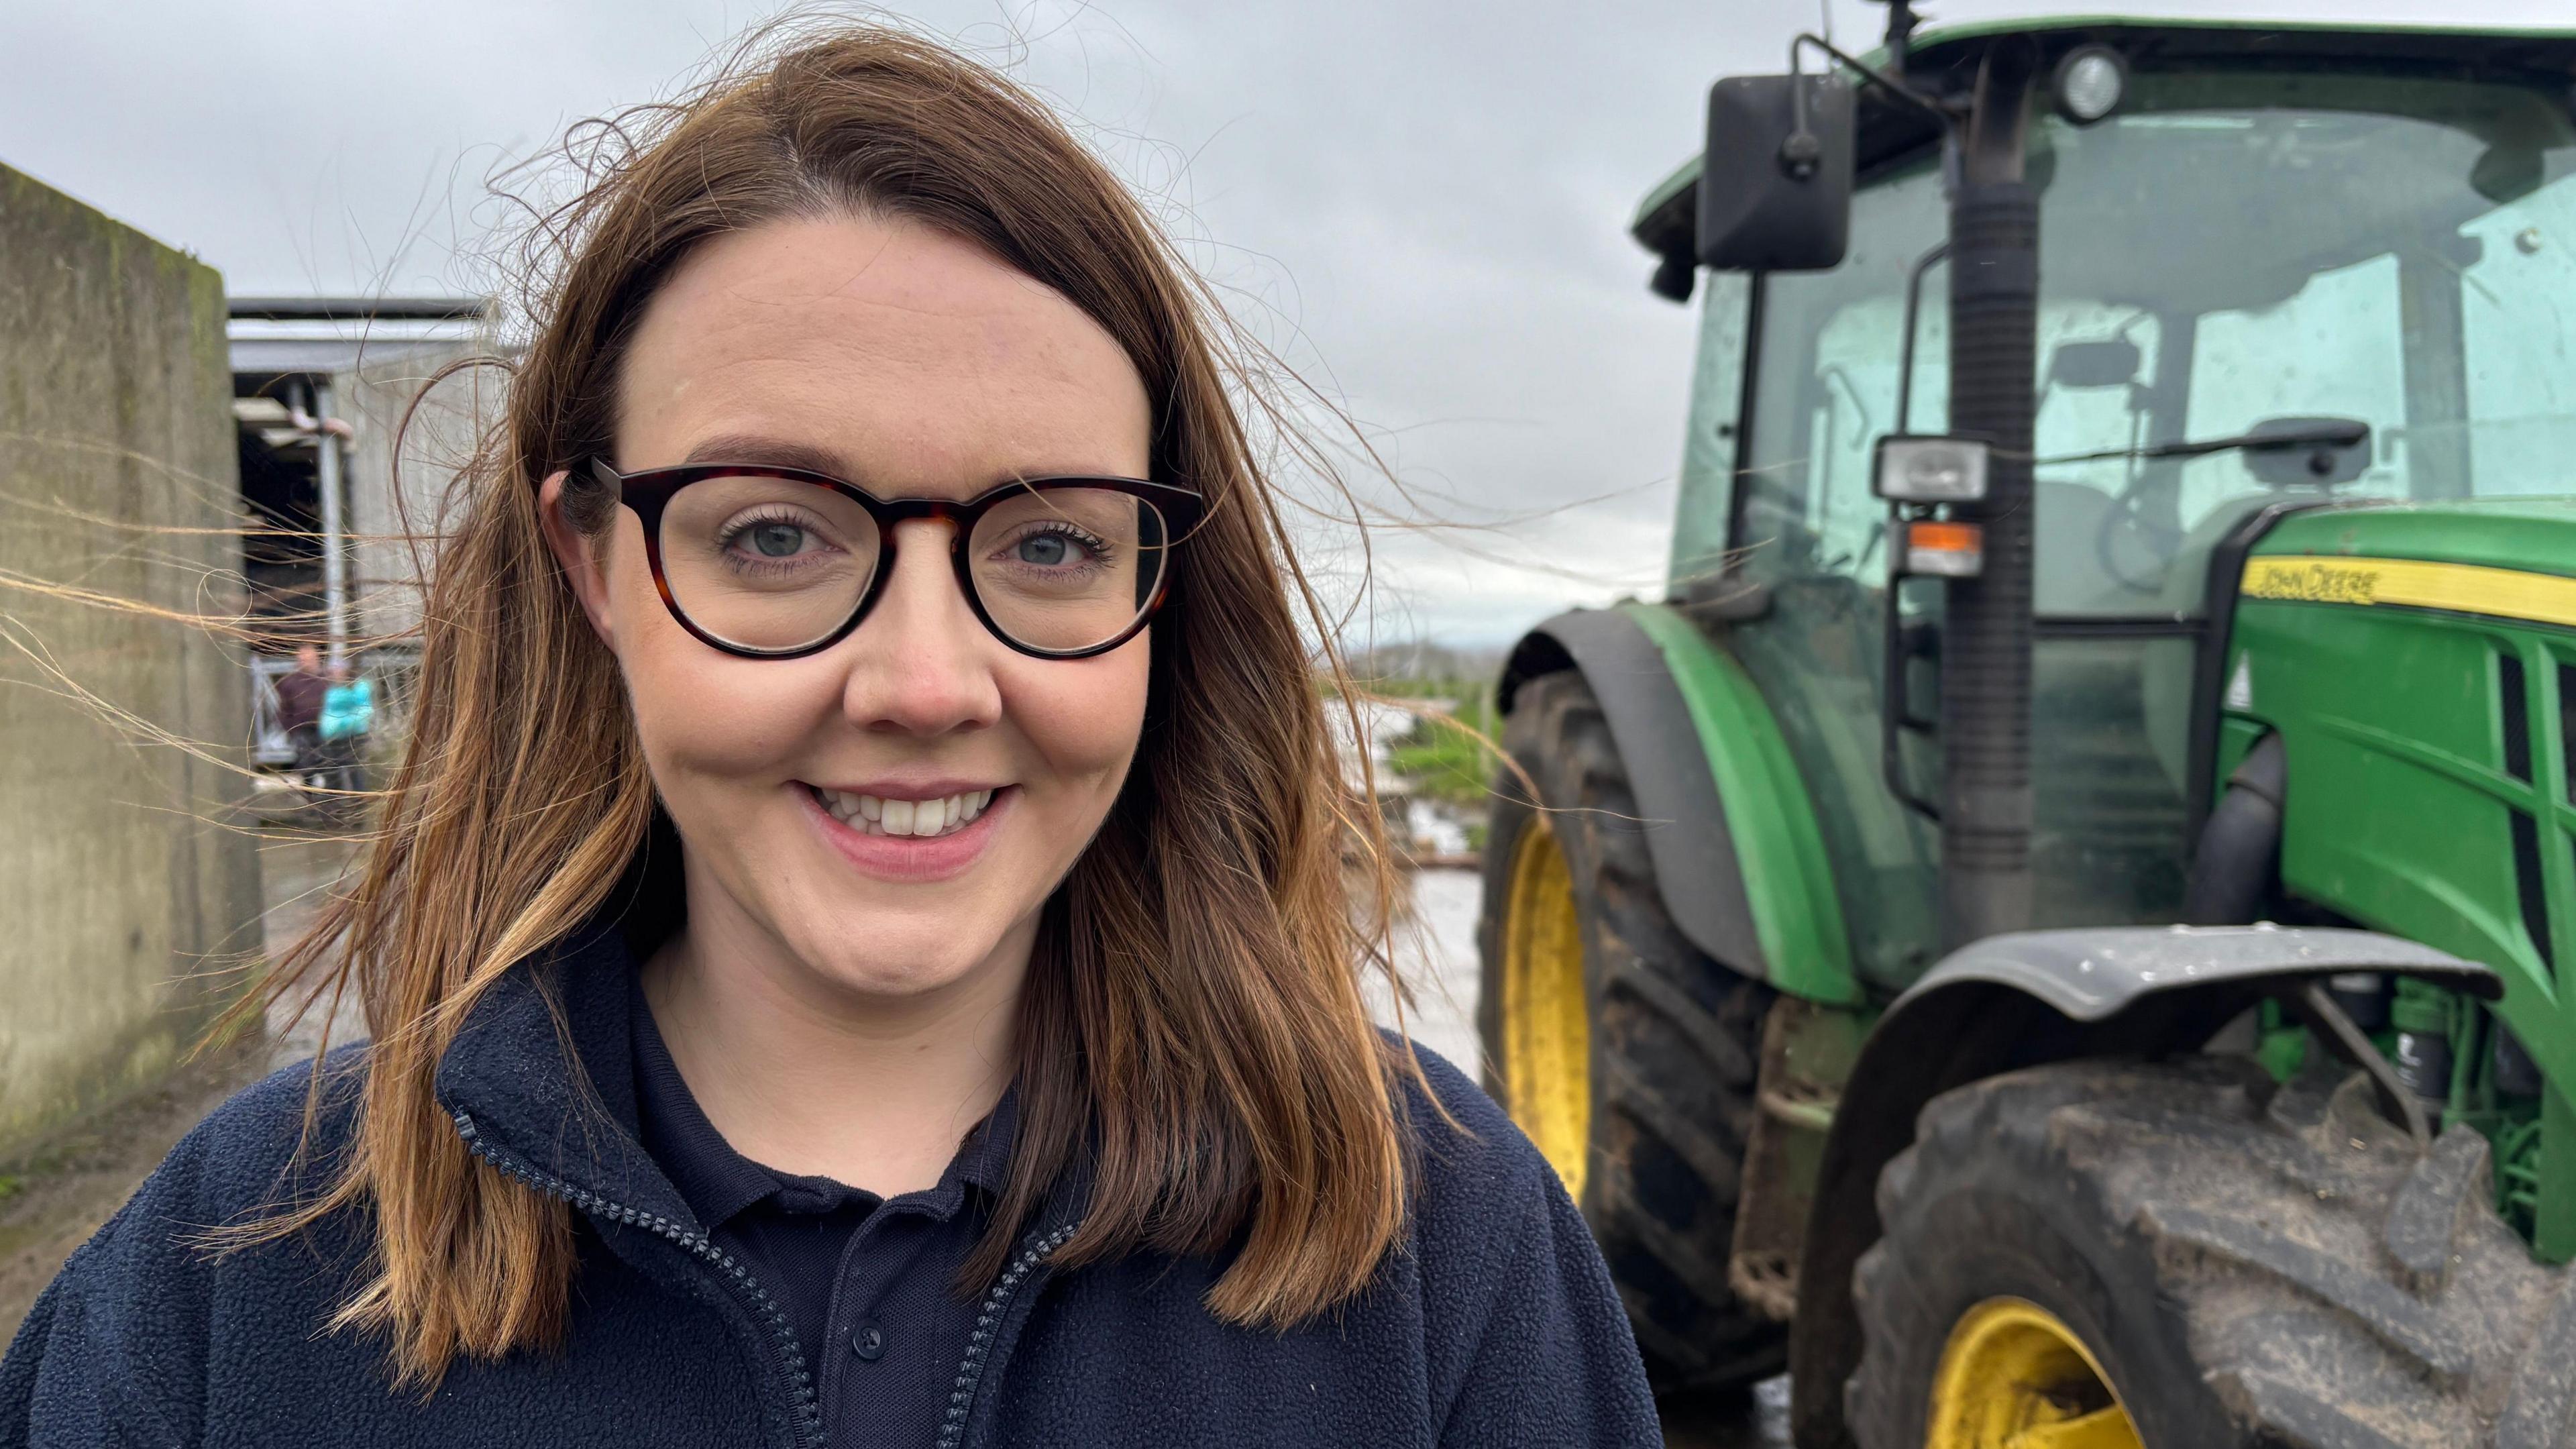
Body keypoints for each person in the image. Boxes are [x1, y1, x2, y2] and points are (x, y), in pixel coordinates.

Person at [0, 26, 1658, 1449]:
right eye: (776, 536)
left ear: (1164, 585)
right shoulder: (239, 1272)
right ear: (594, 560)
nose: (926, 683)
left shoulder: (1441, 1244)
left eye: (1051, 542)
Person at [315, 659, 376, 801]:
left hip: (353, 737)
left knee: (354, 772)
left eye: (338, 670)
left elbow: (365, 710)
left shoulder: (359, 687)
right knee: (333, 773)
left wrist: (343, 724)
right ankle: (335, 806)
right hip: (332, 739)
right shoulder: (331, 689)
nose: (335, 673)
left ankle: (358, 804)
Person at [272, 641, 329, 788]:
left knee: (329, 764)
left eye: (309, 658)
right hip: (301, 730)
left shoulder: (327, 680)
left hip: (326, 729)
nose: (305, 662)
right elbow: (284, 708)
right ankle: (309, 798)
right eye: (302, 659)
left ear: (317, 658)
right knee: (306, 765)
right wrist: (290, 730)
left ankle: (331, 799)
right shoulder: (290, 682)